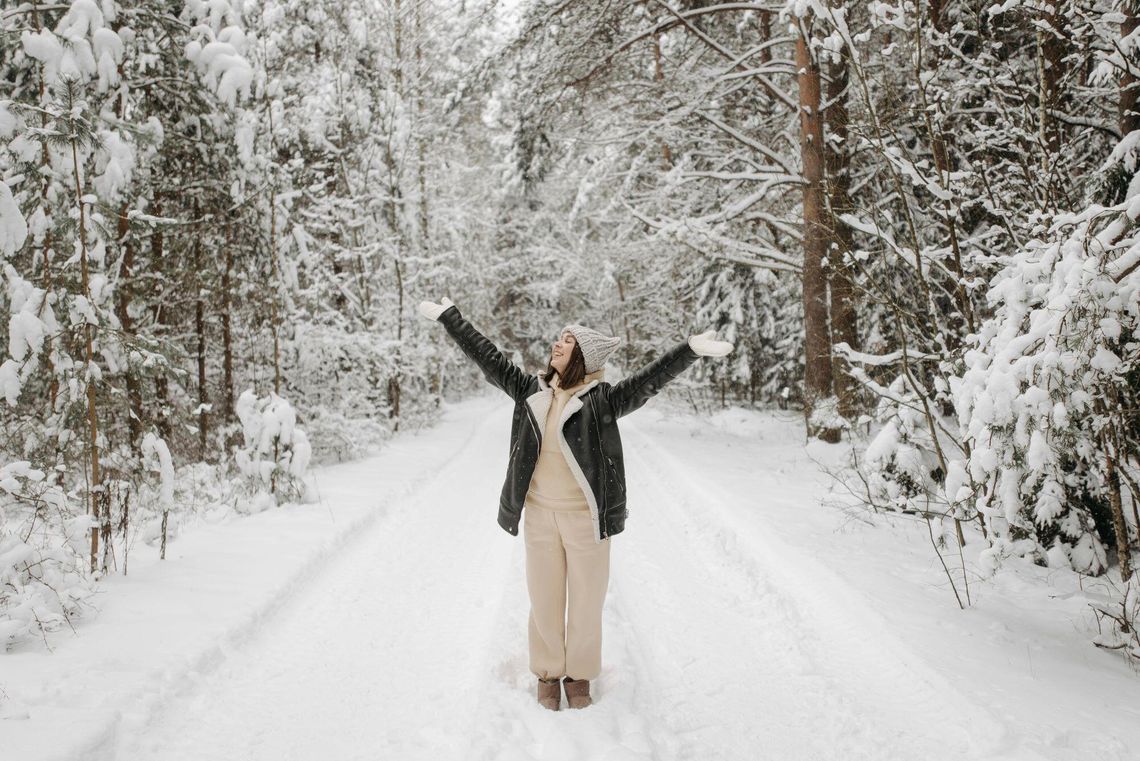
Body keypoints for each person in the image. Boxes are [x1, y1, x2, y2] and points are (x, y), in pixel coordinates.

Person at [417, 297, 732, 710]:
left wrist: (689, 350)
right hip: (540, 516)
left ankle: (579, 675)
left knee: (586, 603)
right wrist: (451, 318)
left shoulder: (602, 401)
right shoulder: (530, 391)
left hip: (586, 519)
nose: (557, 344)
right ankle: (548, 674)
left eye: (567, 341)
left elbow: (650, 380)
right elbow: (488, 357)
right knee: (544, 600)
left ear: (583, 356)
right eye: (559, 339)